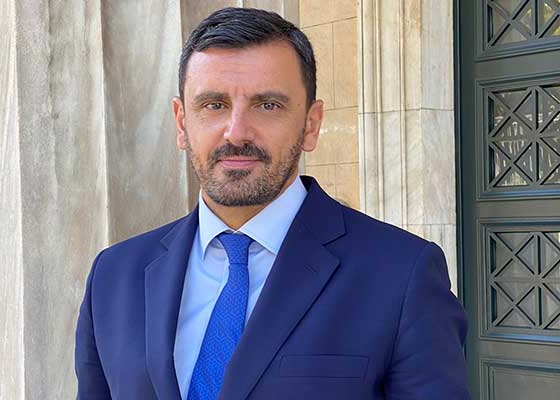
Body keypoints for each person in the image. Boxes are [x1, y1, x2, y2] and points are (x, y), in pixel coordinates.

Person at [75, 7, 469, 400]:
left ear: (311, 124)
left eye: (268, 105)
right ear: (182, 122)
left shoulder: (401, 275)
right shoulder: (114, 276)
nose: (236, 133)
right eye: (214, 105)